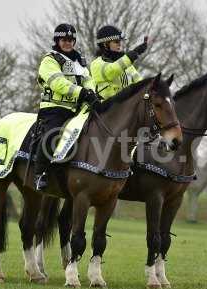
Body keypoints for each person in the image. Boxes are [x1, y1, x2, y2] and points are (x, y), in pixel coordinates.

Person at [34, 23, 98, 190]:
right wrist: (82, 93)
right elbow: (58, 84)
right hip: (54, 108)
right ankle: (39, 173)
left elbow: (88, 79)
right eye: (64, 39)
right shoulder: (50, 59)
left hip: (77, 109)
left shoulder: (80, 60)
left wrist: (91, 92)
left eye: (71, 39)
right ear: (57, 40)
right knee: (52, 134)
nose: (68, 42)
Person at [90, 25, 147, 101]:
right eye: (116, 42)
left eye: (120, 41)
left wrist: (154, 85)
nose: (120, 44)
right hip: (105, 109)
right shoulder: (96, 64)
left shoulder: (127, 65)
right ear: (105, 44)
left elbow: (140, 83)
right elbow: (112, 71)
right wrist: (134, 53)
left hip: (126, 107)